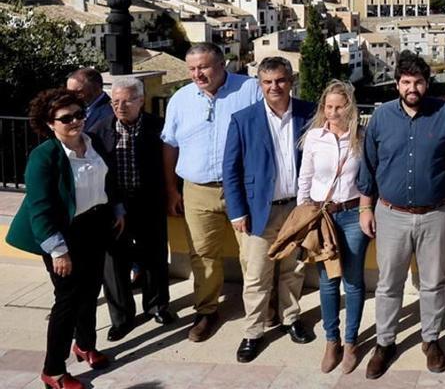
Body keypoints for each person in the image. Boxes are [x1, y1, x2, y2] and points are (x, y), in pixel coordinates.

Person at [357, 51, 445, 379]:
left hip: (436, 213)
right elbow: (368, 164)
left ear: (427, 84)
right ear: (397, 85)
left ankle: (431, 338)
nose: (412, 88)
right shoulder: (381, 118)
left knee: (434, 281)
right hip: (391, 214)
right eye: (406, 82)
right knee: (388, 282)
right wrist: (366, 207)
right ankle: (385, 343)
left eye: (418, 82)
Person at [6, 89, 125, 389]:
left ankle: (84, 345)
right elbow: (40, 208)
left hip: (96, 226)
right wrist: (58, 251)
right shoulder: (44, 156)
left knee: (90, 291)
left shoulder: (93, 142)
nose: (75, 121)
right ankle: (53, 370)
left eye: (79, 114)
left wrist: (117, 208)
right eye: (66, 118)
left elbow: (109, 178)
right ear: (49, 123)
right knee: (67, 302)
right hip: (63, 234)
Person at [161, 42, 262, 342]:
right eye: (192, 69)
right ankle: (206, 311)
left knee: (254, 254)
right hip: (197, 191)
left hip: (243, 189)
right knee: (202, 255)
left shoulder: (250, 90)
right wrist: (170, 190)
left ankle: (260, 308)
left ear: (222, 64)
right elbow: (170, 144)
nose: (197, 74)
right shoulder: (180, 99)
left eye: (203, 67)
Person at [222, 57, 315, 363]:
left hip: (296, 210)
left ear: (291, 81)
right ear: (260, 84)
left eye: (280, 80)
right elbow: (231, 170)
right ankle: (253, 332)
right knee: (256, 276)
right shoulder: (243, 119)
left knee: (293, 270)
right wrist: (237, 212)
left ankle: (290, 319)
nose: (274, 87)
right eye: (268, 82)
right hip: (258, 211)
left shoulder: (309, 113)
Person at [89, 78, 178, 343]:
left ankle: (157, 306)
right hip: (114, 206)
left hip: (149, 201)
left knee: (155, 255)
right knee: (114, 262)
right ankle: (121, 318)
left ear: (141, 100)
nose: (120, 106)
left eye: (127, 100)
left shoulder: (159, 128)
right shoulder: (98, 131)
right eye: (115, 101)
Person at [297, 80, 369, 373]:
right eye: (329, 107)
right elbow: (305, 177)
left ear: (349, 107)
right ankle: (332, 340)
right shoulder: (314, 137)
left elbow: (368, 179)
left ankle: (351, 342)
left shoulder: (361, 137)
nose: (334, 112)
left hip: (352, 215)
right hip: (322, 217)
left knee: (352, 282)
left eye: (340, 107)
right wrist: (303, 217)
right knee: (328, 282)